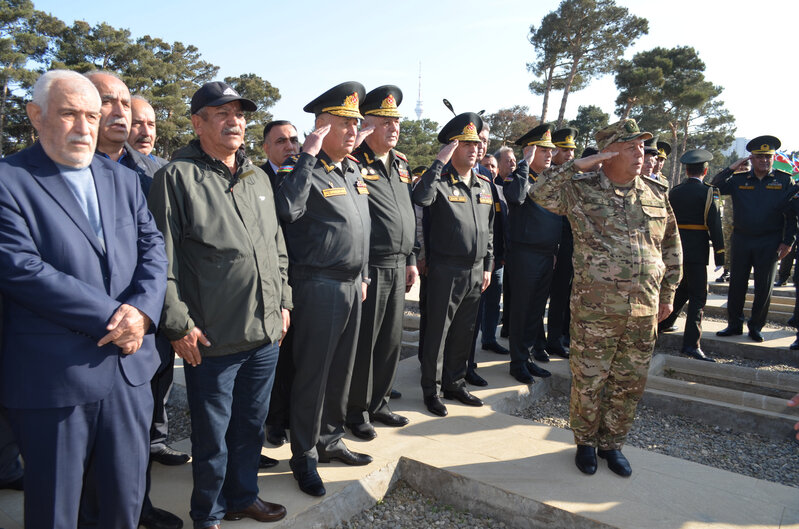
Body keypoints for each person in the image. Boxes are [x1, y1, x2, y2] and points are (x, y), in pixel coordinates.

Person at [0, 69, 168, 528]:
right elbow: (21, 269)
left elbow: (154, 250)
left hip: (129, 373)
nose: (84, 127)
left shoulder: (123, 180)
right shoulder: (8, 180)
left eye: (91, 115)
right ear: (36, 116)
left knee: (124, 503)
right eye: (69, 114)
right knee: (56, 509)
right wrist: (118, 316)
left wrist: (144, 313)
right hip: (54, 380)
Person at [148, 81, 289, 527]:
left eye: (241, 114)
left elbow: (276, 246)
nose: (235, 122)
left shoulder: (257, 177)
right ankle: (206, 513)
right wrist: (176, 325)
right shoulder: (176, 177)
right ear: (197, 122)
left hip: (265, 334)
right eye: (222, 113)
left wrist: (283, 300)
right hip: (211, 337)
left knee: (250, 427)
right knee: (212, 439)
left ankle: (242, 497)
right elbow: (160, 261)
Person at [531, 118, 682, 478]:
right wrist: (577, 165)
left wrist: (669, 292)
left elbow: (672, 247)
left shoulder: (655, 193)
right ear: (609, 153)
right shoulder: (581, 189)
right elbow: (539, 194)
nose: (641, 153)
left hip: (643, 309)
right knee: (589, 379)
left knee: (628, 383)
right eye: (631, 147)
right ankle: (584, 443)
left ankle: (612, 445)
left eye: (642, 146)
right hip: (595, 311)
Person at [84, 71, 184, 529]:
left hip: (147, 326)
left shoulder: (150, 172)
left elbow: (161, 248)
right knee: (83, 458)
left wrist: (147, 312)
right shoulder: (47, 172)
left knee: (137, 432)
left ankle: (136, 508)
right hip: (86, 338)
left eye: (127, 104)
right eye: (110, 102)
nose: (122, 114)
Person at [275, 82, 373, 497]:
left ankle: (329, 441)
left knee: (341, 371)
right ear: (320, 128)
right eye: (343, 123)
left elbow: (362, 228)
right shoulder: (302, 169)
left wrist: (364, 274)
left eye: (354, 123)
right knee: (313, 374)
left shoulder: (351, 169)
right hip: (318, 284)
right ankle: (303, 455)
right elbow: (287, 210)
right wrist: (307, 156)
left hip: (353, 284)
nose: (353, 131)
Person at [346, 85, 417, 440]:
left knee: (391, 340)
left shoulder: (401, 164)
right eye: (385, 121)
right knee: (366, 343)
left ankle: (380, 402)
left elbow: (408, 214)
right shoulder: (354, 162)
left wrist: (412, 258)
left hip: (399, 263)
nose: (394, 128)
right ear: (367, 124)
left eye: (396, 122)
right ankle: (356, 410)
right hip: (370, 267)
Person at [412, 112, 494, 417]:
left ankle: (455, 383)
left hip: (475, 270)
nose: (474, 149)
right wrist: (438, 163)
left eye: (476, 143)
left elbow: (490, 231)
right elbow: (420, 198)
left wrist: (488, 264)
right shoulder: (437, 182)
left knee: (465, 330)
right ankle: (431, 390)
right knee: (438, 333)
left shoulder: (483, 185)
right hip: (445, 268)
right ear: (452, 148)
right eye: (466, 144)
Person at [713, 136, 796, 342]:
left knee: (763, 288)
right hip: (742, 240)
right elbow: (713, 186)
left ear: (773, 157)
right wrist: (732, 167)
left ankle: (756, 326)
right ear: (751, 158)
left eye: (768, 157)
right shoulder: (739, 180)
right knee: (737, 285)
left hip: (770, 241)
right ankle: (734, 324)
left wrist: (788, 242)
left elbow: (793, 215)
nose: (764, 161)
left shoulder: (784, 180)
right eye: (759, 157)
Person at [503, 123, 559, 383]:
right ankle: (517, 363)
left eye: (551, 150)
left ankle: (527, 358)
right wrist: (523, 164)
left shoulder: (548, 179)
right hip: (524, 255)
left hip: (547, 254)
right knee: (522, 310)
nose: (550, 154)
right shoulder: (519, 176)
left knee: (536, 311)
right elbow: (515, 197)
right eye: (543, 150)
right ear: (529, 152)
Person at [657, 149, 724, 361]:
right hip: (696, 251)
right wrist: (721, 256)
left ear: (686, 170)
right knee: (697, 298)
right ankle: (691, 344)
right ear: (705, 170)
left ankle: (662, 324)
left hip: (674, 251)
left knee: (679, 290)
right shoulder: (709, 192)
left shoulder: (674, 191)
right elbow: (715, 224)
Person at [260, 120, 301, 455]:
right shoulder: (257, 178)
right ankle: (274, 420)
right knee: (277, 354)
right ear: (266, 148)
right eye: (281, 141)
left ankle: (293, 416)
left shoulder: (307, 173)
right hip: (274, 280)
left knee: (302, 355)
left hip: (308, 278)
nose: (290, 147)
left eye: (294, 140)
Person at [545, 127, 579, 358]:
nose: (569, 155)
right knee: (555, 295)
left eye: (572, 150)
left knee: (568, 292)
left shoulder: (573, 176)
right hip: (553, 242)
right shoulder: (549, 176)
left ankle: (564, 334)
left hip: (571, 241)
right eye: (565, 150)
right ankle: (552, 339)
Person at [716, 160, 750, 283]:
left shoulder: (752, 183)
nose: (742, 170)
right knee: (727, 245)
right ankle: (726, 271)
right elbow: (716, 185)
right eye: (740, 168)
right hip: (729, 219)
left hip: (745, 222)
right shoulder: (733, 182)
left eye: (745, 169)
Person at [496, 146, 517, 340]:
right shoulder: (492, 185)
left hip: (514, 249)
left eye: (514, 160)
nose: (512, 164)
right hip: (497, 252)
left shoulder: (515, 184)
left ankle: (507, 326)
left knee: (511, 292)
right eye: (508, 161)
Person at [128, 95, 168, 165]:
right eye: (137, 124)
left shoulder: (166, 170)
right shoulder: (108, 169)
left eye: (151, 125)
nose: (147, 133)